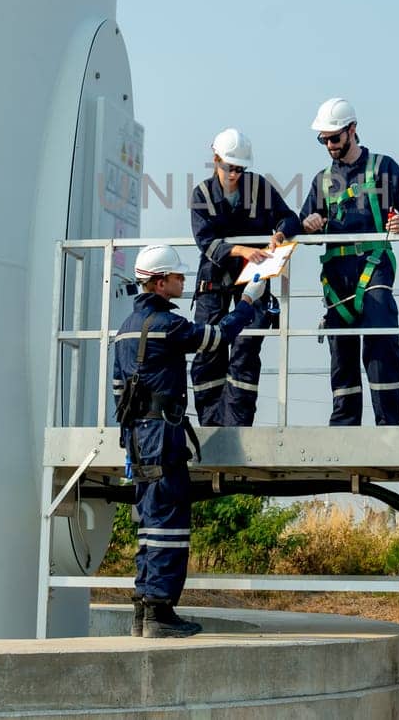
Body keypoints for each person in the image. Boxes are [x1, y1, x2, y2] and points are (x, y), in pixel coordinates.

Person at [113, 244, 271, 638]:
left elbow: (120, 389)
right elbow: (217, 337)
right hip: (162, 437)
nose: (184, 281)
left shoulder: (125, 328)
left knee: (150, 522)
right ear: (160, 282)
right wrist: (249, 299)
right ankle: (160, 613)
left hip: (138, 437)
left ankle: (144, 612)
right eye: (178, 276)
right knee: (169, 524)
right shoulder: (168, 327)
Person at [299, 98, 399, 426]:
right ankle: (344, 427)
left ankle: (388, 425)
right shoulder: (323, 180)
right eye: (323, 139)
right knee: (341, 352)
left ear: (352, 130)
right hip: (336, 274)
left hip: (374, 265)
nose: (328, 145)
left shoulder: (383, 168)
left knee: (381, 338)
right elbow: (302, 223)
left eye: (334, 138)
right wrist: (308, 224)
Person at [188, 128, 301, 426]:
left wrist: (278, 234)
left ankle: (238, 425)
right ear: (216, 160)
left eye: (240, 168)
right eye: (229, 168)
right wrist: (243, 250)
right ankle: (211, 427)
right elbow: (206, 242)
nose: (235, 174)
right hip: (213, 283)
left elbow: (291, 218)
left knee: (246, 350)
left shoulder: (259, 188)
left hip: (252, 282)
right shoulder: (201, 194)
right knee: (208, 349)